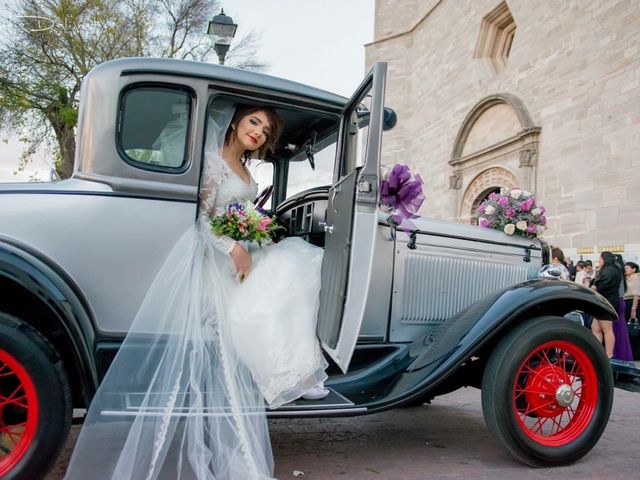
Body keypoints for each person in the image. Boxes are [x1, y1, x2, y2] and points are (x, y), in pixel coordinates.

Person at [65, 102, 329, 479]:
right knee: (287, 270)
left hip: (240, 249)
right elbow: (203, 219)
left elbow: (243, 213)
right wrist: (234, 248)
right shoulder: (213, 161)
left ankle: (300, 371)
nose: (258, 132)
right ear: (237, 121)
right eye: (254, 122)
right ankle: (292, 374)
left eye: (266, 131)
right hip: (215, 256)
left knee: (298, 259)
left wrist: (256, 235)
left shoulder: (246, 168)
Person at [591, 251, 623, 359]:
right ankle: (598, 352)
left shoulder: (610, 270)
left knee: (606, 328)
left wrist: (594, 286)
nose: (599, 261)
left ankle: (609, 354)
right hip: (602, 301)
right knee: (596, 328)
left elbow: (601, 285)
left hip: (607, 302)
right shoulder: (614, 269)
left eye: (600, 258)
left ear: (605, 259)